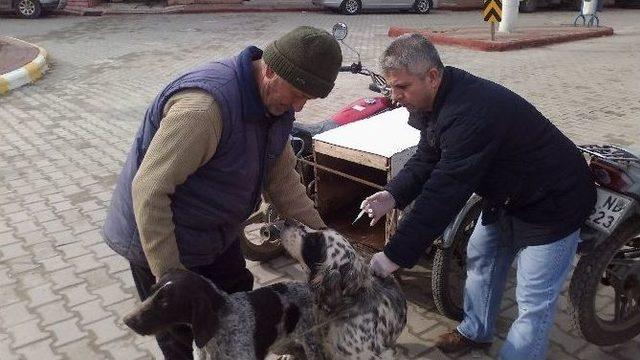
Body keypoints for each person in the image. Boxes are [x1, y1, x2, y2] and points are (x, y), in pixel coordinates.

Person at [103, 26, 342, 359]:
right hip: (158, 234)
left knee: (236, 305)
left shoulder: (277, 107)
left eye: (308, 99)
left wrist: (325, 241)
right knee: (180, 333)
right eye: (298, 94)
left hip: (215, 230)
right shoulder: (204, 111)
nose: (299, 108)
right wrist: (173, 277)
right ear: (271, 70)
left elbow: (282, 180)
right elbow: (149, 190)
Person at [361, 34, 596, 359]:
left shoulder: (469, 111)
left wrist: (395, 254)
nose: (395, 96)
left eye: (402, 87)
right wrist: (392, 194)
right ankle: (475, 331)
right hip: (509, 197)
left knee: (533, 299)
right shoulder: (434, 100)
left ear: (431, 76)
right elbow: (428, 157)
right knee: (481, 257)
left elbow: (445, 191)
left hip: (554, 203)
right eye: (392, 87)